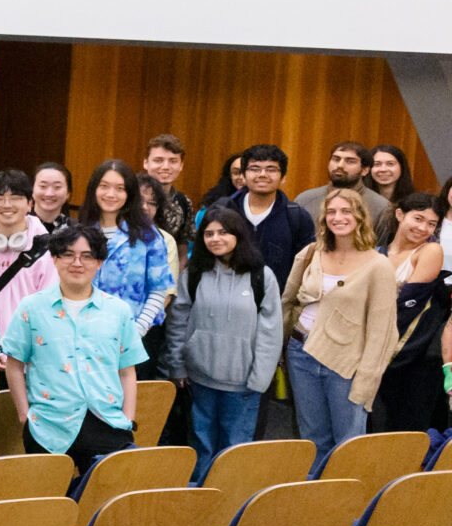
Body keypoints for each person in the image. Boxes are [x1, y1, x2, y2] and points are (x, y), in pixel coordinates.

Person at [0, 224, 148, 473]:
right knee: (51, 505)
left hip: (107, 421)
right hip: (47, 426)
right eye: (68, 254)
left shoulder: (118, 310)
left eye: (87, 256)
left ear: (99, 262)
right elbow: (14, 364)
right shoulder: (31, 308)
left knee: (106, 504)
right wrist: (25, 416)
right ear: (55, 260)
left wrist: (128, 418)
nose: (77, 262)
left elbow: (127, 370)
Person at [165, 209, 283, 479]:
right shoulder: (194, 274)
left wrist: (259, 379)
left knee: (234, 449)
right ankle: (201, 505)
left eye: (223, 232)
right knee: (201, 446)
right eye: (208, 234)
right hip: (200, 379)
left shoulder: (261, 277)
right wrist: (178, 366)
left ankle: (229, 508)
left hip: (243, 385)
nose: (215, 238)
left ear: (238, 234)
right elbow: (179, 321)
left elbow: (271, 332)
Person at [281, 190, 397, 457]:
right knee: (312, 441)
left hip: (347, 363)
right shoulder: (311, 253)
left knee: (347, 445)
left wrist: (366, 382)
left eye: (346, 211)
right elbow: (287, 302)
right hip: (301, 354)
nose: (338, 217)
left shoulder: (378, 266)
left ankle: (346, 498)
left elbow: (382, 332)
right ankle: (315, 496)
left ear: (360, 217)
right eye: (331, 212)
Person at [374, 193, 449, 435]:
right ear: (399, 214)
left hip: (413, 356)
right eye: (418, 218)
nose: (423, 228)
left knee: (405, 429)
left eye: (431, 224)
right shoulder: (376, 250)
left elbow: (406, 306)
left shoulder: (430, 251)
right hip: (376, 351)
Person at [82, 161, 174, 336]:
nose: (111, 194)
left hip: (129, 334)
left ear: (129, 194)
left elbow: (159, 289)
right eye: (104, 186)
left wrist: (138, 330)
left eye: (119, 188)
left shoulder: (148, 236)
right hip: (81, 332)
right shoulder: (79, 231)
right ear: (94, 189)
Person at [216, 145, 318, 282]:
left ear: (283, 178)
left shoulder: (297, 216)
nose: (262, 174)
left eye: (271, 169)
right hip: (226, 296)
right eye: (255, 169)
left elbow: (306, 266)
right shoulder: (222, 210)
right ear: (244, 176)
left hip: (277, 300)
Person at [0, 170, 57, 327]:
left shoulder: (48, 249)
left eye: (15, 198)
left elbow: (47, 306)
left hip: (31, 343)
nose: (7, 205)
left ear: (30, 204)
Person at [298, 141, 391, 225]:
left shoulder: (381, 207)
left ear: (365, 170)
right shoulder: (305, 200)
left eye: (350, 161)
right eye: (336, 159)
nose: (340, 165)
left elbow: (382, 243)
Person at [143, 135, 195, 248]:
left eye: (173, 161)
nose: (166, 167)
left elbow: (182, 247)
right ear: (146, 163)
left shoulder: (183, 202)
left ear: (181, 165)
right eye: (158, 160)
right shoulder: (129, 196)